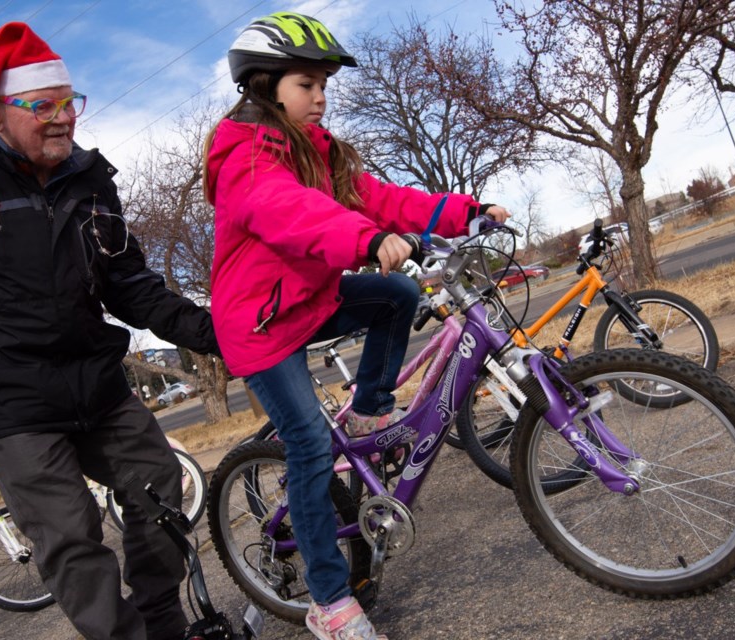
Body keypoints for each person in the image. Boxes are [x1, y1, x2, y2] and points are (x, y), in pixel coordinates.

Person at [0, 22, 217, 640]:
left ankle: (163, 623)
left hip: (96, 382)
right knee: (69, 534)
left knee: (162, 488)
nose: (63, 118)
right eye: (43, 106)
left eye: (69, 102)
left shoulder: (89, 180)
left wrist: (211, 331)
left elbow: (128, 282)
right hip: (9, 401)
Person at [204, 12, 510, 640]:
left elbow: (383, 198)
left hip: (306, 300)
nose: (320, 98)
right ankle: (327, 598)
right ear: (264, 87)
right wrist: (365, 240)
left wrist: (465, 213)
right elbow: (290, 212)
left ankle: (369, 412)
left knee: (398, 295)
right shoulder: (245, 155)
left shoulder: (320, 151)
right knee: (311, 446)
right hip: (259, 327)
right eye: (305, 85)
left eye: (323, 86)